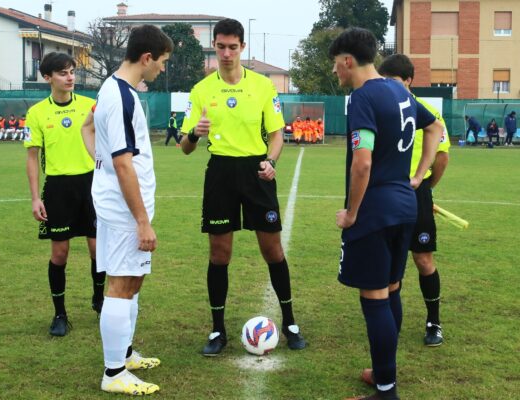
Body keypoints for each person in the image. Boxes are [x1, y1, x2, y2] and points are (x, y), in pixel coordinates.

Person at [180, 18, 306, 356]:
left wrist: (271, 162)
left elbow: (277, 134)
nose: (225, 53)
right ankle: (217, 331)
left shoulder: (263, 87)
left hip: (256, 172)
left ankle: (291, 322)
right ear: (215, 47)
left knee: (272, 250)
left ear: (242, 48)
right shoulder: (202, 90)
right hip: (220, 172)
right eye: (220, 46)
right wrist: (194, 133)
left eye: (232, 47)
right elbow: (185, 146)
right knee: (220, 253)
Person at [329, 28, 442, 400]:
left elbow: (362, 164)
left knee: (374, 297)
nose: (335, 72)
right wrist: (417, 175)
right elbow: (435, 127)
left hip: (375, 211)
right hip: (405, 208)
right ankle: (383, 374)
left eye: (335, 64)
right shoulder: (399, 90)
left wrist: (351, 214)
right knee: (391, 291)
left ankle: (386, 392)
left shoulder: (362, 98)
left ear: (348, 60)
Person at [82, 25, 173, 395]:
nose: (163, 70)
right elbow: (122, 163)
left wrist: (99, 166)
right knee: (121, 285)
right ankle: (114, 372)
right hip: (123, 212)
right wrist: (141, 221)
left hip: (118, 204)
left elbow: (87, 129)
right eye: (163, 62)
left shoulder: (112, 90)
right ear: (147, 57)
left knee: (132, 281)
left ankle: (126, 353)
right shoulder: (121, 97)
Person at [24, 52, 105, 337]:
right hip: (57, 188)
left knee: (98, 249)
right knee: (60, 254)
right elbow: (32, 157)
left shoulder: (89, 106)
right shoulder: (36, 113)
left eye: (72, 71)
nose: (70, 77)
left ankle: (100, 300)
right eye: (62, 73)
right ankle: (60, 314)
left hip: (91, 185)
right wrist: (36, 197)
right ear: (48, 78)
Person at [378, 54, 451, 351]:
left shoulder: (428, 112)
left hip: (415, 193)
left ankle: (433, 322)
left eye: (394, 81)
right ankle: (389, 319)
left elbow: (442, 157)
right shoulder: (382, 111)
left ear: (408, 81)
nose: (389, 88)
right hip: (386, 194)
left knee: (422, 260)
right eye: (385, 82)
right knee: (389, 263)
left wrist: (426, 186)